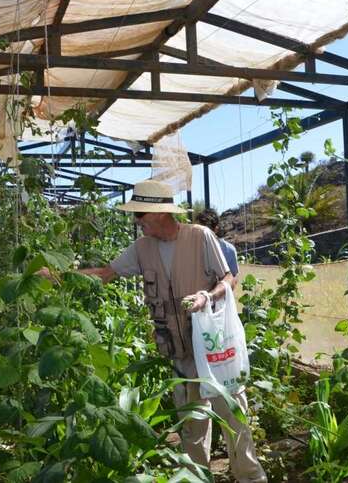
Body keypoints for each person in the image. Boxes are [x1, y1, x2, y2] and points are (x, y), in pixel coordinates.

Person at [73, 180, 267, 483]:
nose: (136, 221)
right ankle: (199, 478)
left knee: (233, 419)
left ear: (159, 213)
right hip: (179, 352)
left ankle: (251, 478)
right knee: (192, 427)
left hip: (213, 348)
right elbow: (105, 275)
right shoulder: (142, 248)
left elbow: (228, 278)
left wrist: (207, 297)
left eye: (139, 214)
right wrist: (62, 276)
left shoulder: (200, 237)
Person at [196, 208, 240, 290]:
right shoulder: (192, 248)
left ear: (216, 229)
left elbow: (233, 276)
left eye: (205, 230)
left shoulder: (228, 250)